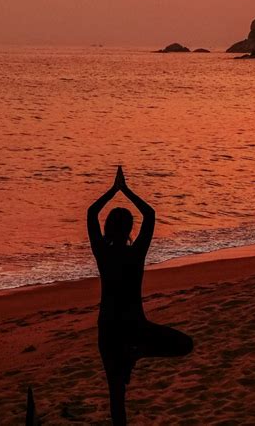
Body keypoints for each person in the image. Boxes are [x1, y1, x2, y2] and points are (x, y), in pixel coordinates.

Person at [87, 166, 193, 425]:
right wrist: (127, 190)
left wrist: (113, 190)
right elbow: (150, 214)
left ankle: (136, 354)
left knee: (116, 392)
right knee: (185, 344)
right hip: (135, 326)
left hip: (110, 329)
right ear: (129, 230)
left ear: (108, 228)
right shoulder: (136, 253)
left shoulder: (103, 252)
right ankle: (138, 352)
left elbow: (91, 212)